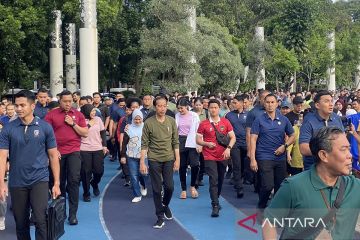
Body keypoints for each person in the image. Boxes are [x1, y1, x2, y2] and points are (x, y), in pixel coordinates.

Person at [263, 126, 360, 240]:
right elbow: (270, 222)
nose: (350, 155)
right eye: (343, 149)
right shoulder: (294, 186)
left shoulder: (355, 186)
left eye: (349, 149)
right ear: (323, 155)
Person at [0, 90, 61, 240]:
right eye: (16, 105)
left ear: (32, 106)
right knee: (21, 223)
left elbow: (53, 155)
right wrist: (1, 182)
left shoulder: (45, 127)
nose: (18, 109)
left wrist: (57, 183)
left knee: (41, 220)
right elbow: (2, 156)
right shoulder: (8, 128)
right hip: (16, 181)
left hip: (39, 179)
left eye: (22, 105)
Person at [45, 90, 88, 225]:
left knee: (74, 181)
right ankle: (61, 212)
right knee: (59, 182)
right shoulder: (51, 115)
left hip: (74, 151)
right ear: (60, 101)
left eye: (70, 101)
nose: (68, 104)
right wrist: (51, 150)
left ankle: (73, 214)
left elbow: (85, 133)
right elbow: (45, 134)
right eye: (65, 101)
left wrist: (73, 124)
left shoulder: (78, 114)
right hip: (57, 153)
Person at [250, 93, 295, 214]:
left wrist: (284, 146)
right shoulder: (259, 120)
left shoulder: (284, 119)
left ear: (277, 104)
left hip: (280, 158)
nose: (270, 105)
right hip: (264, 156)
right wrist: (252, 159)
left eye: (272, 102)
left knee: (280, 187)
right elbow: (253, 139)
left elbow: (292, 136)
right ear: (264, 104)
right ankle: (261, 207)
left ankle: (275, 211)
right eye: (267, 102)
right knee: (267, 186)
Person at [140, 95, 180, 229]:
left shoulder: (171, 121)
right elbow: (144, 144)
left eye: (164, 105)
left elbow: (175, 141)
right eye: (159, 106)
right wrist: (142, 162)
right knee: (157, 189)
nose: (162, 108)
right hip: (154, 159)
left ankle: (165, 204)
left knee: (169, 187)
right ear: (155, 106)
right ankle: (160, 217)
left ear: (167, 106)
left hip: (169, 158)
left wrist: (177, 159)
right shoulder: (149, 123)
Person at [196, 99, 236, 217]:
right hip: (209, 155)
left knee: (220, 179)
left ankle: (216, 198)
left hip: (223, 155)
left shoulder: (226, 122)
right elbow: (198, 139)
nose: (213, 110)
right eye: (211, 107)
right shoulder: (203, 123)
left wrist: (228, 148)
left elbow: (233, 137)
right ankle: (215, 205)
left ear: (219, 108)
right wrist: (206, 144)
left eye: (215, 107)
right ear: (208, 109)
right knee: (213, 179)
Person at [299, 90, 344, 170]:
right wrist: (325, 152)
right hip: (314, 168)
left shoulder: (336, 118)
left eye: (331, 101)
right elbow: (303, 148)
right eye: (326, 101)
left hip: (335, 166)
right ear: (317, 105)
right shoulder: (309, 121)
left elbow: (343, 140)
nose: (331, 104)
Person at [80, 104, 108, 202]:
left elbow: (103, 132)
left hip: (97, 148)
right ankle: (86, 193)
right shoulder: (80, 120)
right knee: (85, 172)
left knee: (99, 171)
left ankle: (94, 183)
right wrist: (89, 124)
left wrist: (104, 145)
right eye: (91, 111)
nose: (94, 113)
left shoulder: (98, 119)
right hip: (84, 149)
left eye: (94, 111)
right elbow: (81, 132)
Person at [120, 109, 148, 203]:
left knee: (144, 174)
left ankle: (143, 185)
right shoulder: (128, 128)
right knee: (133, 176)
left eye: (139, 119)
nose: (138, 121)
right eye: (136, 119)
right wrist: (123, 155)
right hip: (131, 155)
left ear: (142, 119)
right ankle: (137, 194)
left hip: (144, 155)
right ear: (133, 119)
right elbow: (124, 143)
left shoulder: (146, 127)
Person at [175, 98, 200, 199]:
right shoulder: (177, 116)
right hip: (180, 141)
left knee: (194, 165)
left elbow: (198, 130)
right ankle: (183, 189)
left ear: (187, 106)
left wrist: (199, 144)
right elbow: (175, 130)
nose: (180, 110)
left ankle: (193, 186)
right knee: (182, 166)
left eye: (181, 108)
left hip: (193, 140)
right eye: (178, 108)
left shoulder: (194, 115)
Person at [225, 95, 248, 198]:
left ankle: (240, 179)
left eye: (235, 102)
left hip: (246, 144)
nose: (233, 104)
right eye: (232, 103)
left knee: (244, 165)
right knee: (237, 165)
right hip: (234, 144)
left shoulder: (249, 115)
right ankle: (239, 188)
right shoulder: (229, 115)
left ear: (242, 103)